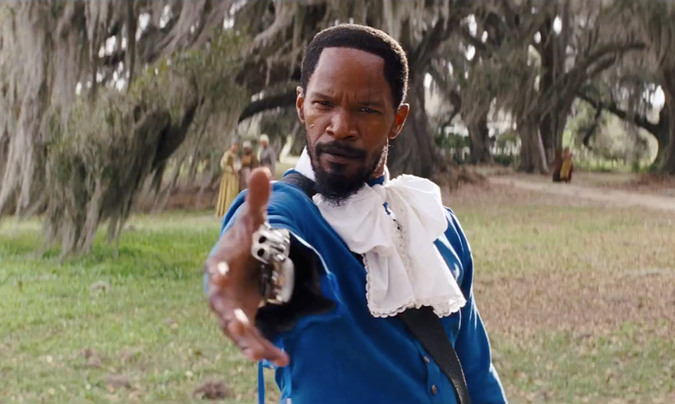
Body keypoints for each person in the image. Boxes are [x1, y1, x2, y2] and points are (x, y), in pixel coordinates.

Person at [205, 24, 507, 404]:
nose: (341, 127)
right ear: (301, 106)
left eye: (366, 109)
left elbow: (476, 373)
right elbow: (266, 241)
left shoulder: (439, 227)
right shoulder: (289, 210)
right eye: (323, 104)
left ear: (398, 120)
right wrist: (255, 267)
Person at [215, 140, 240, 218]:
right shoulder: (227, 154)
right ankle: (225, 210)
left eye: (237, 146)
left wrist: (236, 170)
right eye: (234, 146)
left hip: (234, 177)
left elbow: (237, 164)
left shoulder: (235, 155)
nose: (235, 148)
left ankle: (232, 210)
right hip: (228, 177)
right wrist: (231, 170)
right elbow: (223, 164)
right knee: (227, 193)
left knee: (233, 193)